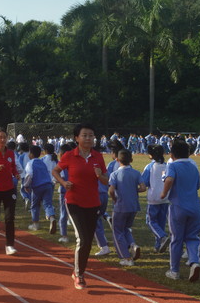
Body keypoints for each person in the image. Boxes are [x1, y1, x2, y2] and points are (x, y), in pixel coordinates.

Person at [52, 124, 108, 290]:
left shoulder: (98, 156)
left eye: (91, 135)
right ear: (77, 138)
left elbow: (105, 180)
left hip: (93, 203)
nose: (88, 138)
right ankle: (79, 274)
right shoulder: (70, 155)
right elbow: (55, 171)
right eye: (85, 135)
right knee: (82, 239)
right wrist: (63, 182)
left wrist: (100, 175)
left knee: (88, 242)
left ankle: (79, 270)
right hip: (74, 202)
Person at [160, 139, 200, 282]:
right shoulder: (194, 167)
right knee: (192, 237)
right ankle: (194, 261)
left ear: (172, 154)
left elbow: (169, 179)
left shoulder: (173, 165)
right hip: (195, 207)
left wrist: (164, 193)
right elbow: (197, 186)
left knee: (176, 239)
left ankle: (174, 270)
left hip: (178, 206)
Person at [108, 149, 146, 267]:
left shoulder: (115, 174)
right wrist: (135, 190)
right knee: (126, 228)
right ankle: (132, 245)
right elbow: (143, 187)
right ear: (131, 160)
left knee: (117, 231)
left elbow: (111, 190)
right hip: (133, 206)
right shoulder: (136, 173)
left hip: (120, 206)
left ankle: (126, 257)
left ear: (117, 160)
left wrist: (114, 199)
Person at [141, 144, 170, 253]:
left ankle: (162, 237)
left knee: (151, 221)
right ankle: (158, 245)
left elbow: (145, 181)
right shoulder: (167, 166)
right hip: (166, 197)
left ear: (151, 155)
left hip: (154, 198)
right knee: (161, 221)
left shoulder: (150, 166)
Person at [24, 145, 57, 233]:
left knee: (34, 205)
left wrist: (26, 185)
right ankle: (52, 217)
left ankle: (35, 224)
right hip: (48, 185)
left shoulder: (30, 163)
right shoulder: (42, 162)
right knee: (48, 204)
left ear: (31, 154)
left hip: (38, 186)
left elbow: (29, 175)